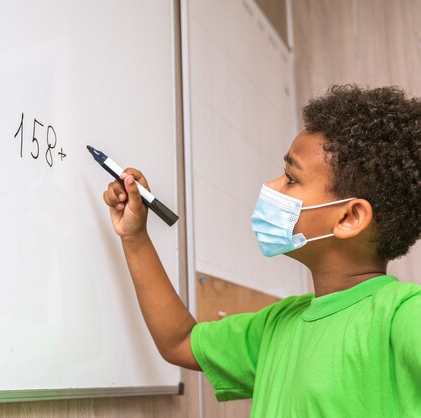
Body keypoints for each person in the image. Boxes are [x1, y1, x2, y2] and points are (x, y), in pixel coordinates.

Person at [102, 85, 421, 417]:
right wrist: (135, 237)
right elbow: (179, 342)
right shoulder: (277, 324)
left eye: (290, 179)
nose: (270, 187)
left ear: (349, 217)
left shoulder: (403, 315)